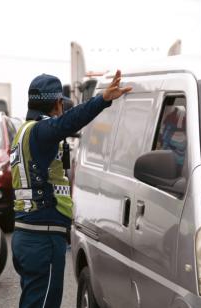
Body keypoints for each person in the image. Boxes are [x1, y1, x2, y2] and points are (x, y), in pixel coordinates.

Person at [11, 70, 131, 308]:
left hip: (27, 235)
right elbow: (69, 122)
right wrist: (102, 99)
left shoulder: (23, 132)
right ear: (57, 103)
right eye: (62, 104)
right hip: (42, 237)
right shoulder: (41, 132)